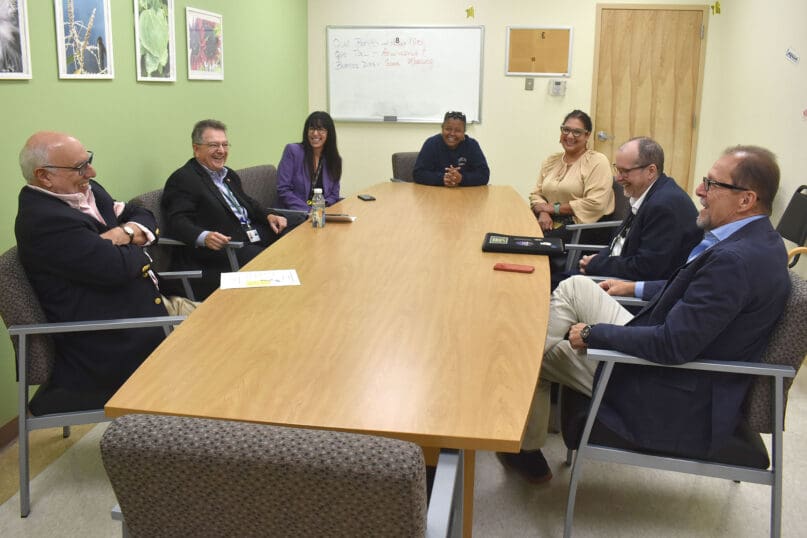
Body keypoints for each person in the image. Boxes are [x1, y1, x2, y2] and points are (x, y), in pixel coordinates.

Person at [501, 145, 790, 483]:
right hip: (668, 348)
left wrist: (594, 334)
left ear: (746, 200)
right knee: (576, 286)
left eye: (712, 184)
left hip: (668, 387)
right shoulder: (757, 239)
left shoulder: (734, 262)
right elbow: (692, 292)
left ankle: (522, 436)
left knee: (534, 357)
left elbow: (671, 345)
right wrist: (633, 288)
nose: (699, 191)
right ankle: (535, 380)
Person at [14, 131, 196, 414]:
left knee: (236, 323)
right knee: (219, 353)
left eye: (88, 160)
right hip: (114, 339)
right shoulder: (43, 221)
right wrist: (139, 244)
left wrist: (123, 233)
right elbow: (118, 268)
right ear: (44, 176)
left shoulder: (87, 190)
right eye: (79, 167)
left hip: (149, 309)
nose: (91, 171)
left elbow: (141, 212)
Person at [162, 119, 289, 300]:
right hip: (220, 252)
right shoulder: (183, 179)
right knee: (272, 260)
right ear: (196, 149)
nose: (221, 151)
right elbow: (177, 221)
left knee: (294, 230)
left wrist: (269, 215)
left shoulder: (228, 175)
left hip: (248, 236)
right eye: (213, 145)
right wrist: (204, 237)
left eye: (224, 144)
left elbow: (248, 203)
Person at [575, 137, 702, 281]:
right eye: (617, 169)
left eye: (625, 171)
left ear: (651, 171)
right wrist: (598, 259)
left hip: (629, 293)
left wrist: (597, 264)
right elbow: (620, 245)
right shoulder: (644, 193)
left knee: (557, 285)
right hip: (616, 276)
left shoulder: (663, 206)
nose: (618, 178)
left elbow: (646, 269)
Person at [529, 110, 614, 259]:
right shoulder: (551, 161)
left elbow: (595, 204)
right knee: (516, 236)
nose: (569, 136)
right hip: (549, 222)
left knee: (531, 249)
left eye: (577, 132)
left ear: (587, 135)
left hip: (581, 228)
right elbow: (537, 194)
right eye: (566, 130)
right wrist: (543, 211)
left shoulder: (597, 161)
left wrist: (552, 208)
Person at [277, 111, 343, 212]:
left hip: (321, 213)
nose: (315, 133)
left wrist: (321, 207)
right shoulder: (293, 151)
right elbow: (283, 190)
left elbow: (334, 195)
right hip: (295, 213)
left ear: (329, 133)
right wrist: (308, 210)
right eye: (312, 128)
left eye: (320, 129)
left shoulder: (334, 160)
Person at [412, 111, 490, 187]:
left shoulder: (472, 145)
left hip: (465, 196)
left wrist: (461, 178)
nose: (452, 134)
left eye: (458, 130)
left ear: (464, 132)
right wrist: (443, 178)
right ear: (442, 129)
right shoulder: (431, 143)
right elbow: (418, 173)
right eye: (448, 129)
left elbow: (484, 175)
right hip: (435, 195)